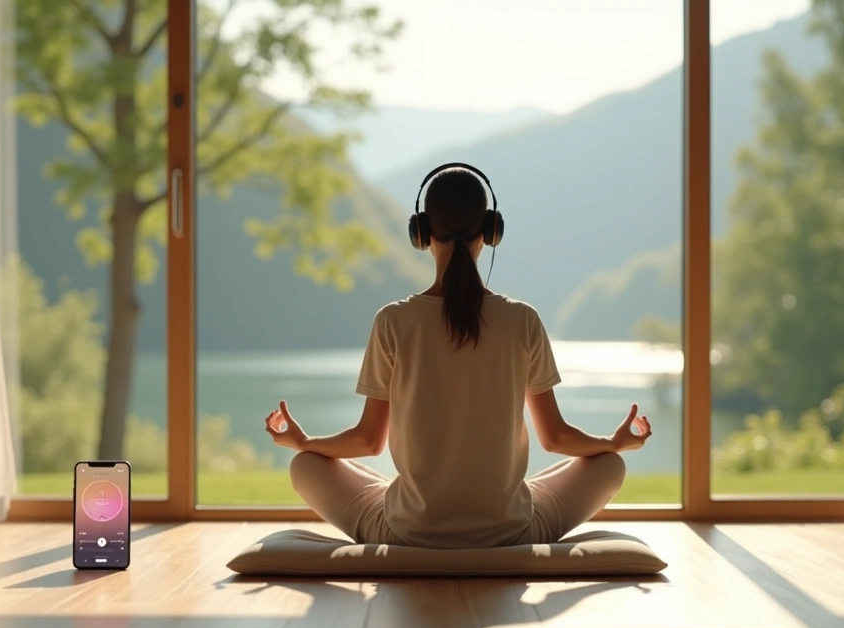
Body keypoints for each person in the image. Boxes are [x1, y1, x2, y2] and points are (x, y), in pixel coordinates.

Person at [262, 163, 652, 550]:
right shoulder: (523, 319)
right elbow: (554, 438)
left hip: (407, 534)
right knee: (609, 464)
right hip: (511, 533)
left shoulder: (393, 320)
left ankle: (408, 504)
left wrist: (304, 441)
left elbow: (367, 442)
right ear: (490, 231)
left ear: (422, 233)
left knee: (305, 464)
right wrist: (612, 442)